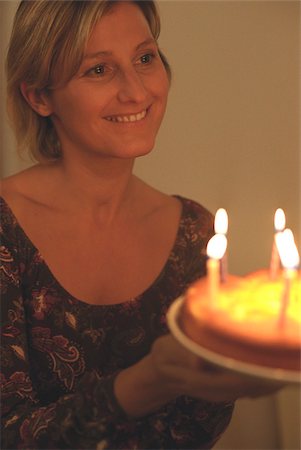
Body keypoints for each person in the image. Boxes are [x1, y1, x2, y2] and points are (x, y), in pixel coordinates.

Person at [0, 1, 281, 449]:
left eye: (145, 58)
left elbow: (198, 427)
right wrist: (148, 380)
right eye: (98, 70)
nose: (136, 91)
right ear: (39, 96)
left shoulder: (195, 233)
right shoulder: (6, 229)